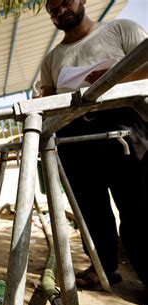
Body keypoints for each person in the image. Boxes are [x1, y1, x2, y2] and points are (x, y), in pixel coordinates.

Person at [41, 0, 147, 289]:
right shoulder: (51, 60)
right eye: (53, 9)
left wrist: (113, 77)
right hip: (74, 137)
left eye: (65, 2)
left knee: (137, 206)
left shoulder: (121, 30)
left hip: (124, 127)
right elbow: (47, 100)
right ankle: (104, 267)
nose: (60, 10)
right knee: (91, 210)